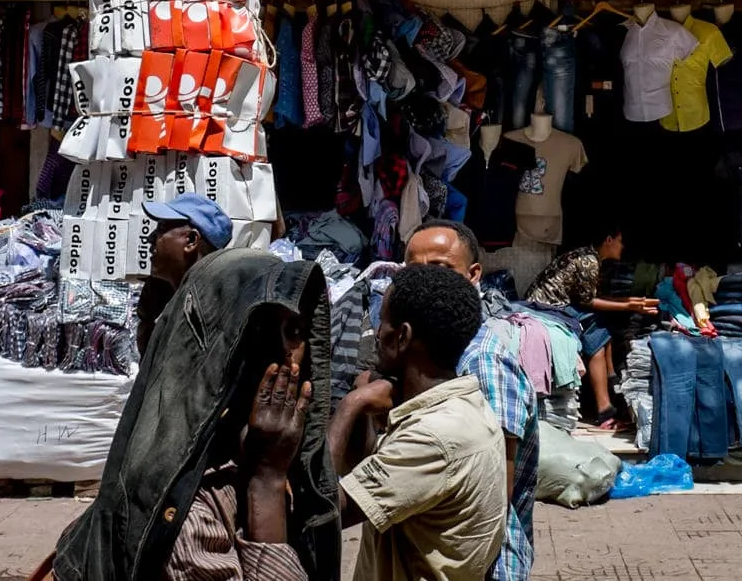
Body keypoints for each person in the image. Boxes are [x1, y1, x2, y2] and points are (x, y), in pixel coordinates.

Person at [45, 250, 340, 581]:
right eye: (279, 332)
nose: (289, 355)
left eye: (298, 331)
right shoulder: (186, 518)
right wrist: (266, 482)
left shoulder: (257, 450)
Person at [329, 264, 507, 581]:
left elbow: (323, 511)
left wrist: (349, 406)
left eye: (381, 323)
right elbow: (366, 468)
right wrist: (365, 397)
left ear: (402, 336)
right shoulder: (463, 407)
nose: (376, 333)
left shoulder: (433, 436)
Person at [405, 220, 537, 581]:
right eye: (414, 271)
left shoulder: (482, 359)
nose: (426, 283)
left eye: (441, 269)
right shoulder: (435, 352)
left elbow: (494, 494)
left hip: (484, 564)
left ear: (473, 274)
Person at [524, 222, 657, 429]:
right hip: (545, 309)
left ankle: (609, 394)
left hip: (558, 305)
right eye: (620, 242)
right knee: (596, 332)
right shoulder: (588, 261)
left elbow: (589, 297)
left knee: (601, 328)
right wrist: (629, 305)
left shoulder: (590, 258)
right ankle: (606, 404)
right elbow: (587, 302)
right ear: (609, 240)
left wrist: (630, 302)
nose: (622, 247)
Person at [134, 191, 233, 356]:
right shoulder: (164, 298)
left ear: (191, 240)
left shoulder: (209, 315)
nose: (150, 238)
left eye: (161, 228)